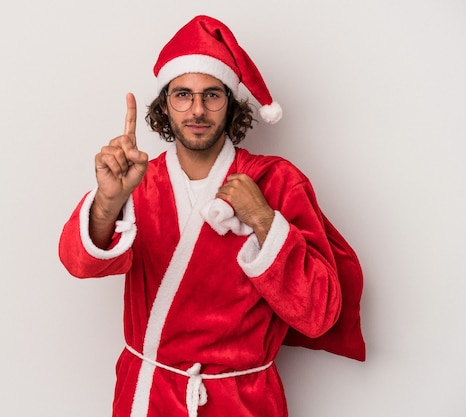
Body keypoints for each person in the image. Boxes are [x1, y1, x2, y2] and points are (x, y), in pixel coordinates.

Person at [59, 15, 364, 417]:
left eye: (212, 95)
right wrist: (107, 200)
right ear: (164, 104)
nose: (197, 110)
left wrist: (263, 220)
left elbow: (319, 315)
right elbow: (78, 264)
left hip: (245, 401)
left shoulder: (277, 182)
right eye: (182, 95)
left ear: (232, 102)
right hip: (149, 395)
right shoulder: (138, 181)